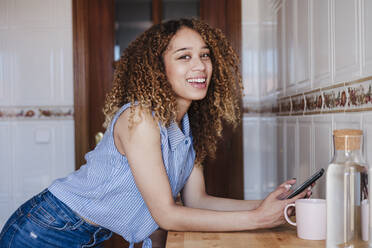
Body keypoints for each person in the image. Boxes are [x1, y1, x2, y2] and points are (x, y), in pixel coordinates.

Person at [0, 18, 310, 248]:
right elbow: (167, 215)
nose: (200, 66)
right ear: (158, 69)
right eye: (184, 56)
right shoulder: (140, 119)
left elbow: (197, 200)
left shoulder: (188, 126)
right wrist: (258, 219)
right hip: (41, 231)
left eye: (205, 55)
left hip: (81, 235)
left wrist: (271, 204)